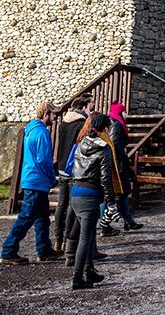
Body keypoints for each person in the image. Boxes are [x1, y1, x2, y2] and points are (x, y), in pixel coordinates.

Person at [0, 102, 61, 265]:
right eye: (53, 114)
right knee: (25, 218)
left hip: (31, 178)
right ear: (46, 114)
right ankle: (8, 251)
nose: (55, 117)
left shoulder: (29, 130)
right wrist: (51, 177)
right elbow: (44, 159)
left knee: (42, 217)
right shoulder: (41, 133)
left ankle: (44, 249)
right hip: (37, 180)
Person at [70, 114, 119, 290]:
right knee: (85, 238)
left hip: (75, 191)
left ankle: (89, 270)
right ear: (105, 129)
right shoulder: (103, 148)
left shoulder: (81, 144)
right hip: (90, 193)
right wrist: (111, 199)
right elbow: (106, 177)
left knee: (88, 236)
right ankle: (77, 278)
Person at [53, 96, 91, 252]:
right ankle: (69, 239)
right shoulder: (81, 124)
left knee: (61, 204)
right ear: (83, 108)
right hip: (74, 168)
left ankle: (58, 239)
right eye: (90, 106)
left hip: (62, 166)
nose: (91, 110)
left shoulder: (63, 124)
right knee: (71, 206)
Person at [106, 101, 143, 232]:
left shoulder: (115, 123)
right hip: (118, 164)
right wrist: (125, 159)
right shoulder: (116, 125)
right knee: (120, 193)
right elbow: (115, 144)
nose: (126, 114)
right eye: (124, 111)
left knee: (122, 193)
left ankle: (128, 221)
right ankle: (107, 225)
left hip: (118, 163)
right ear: (120, 113)